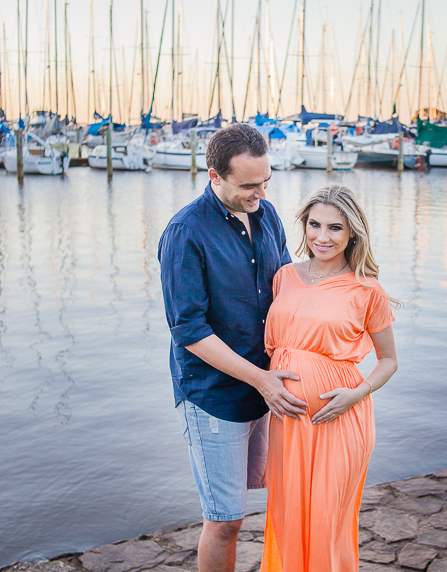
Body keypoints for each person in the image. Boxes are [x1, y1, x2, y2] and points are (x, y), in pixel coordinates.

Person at [158, 124, 309, 572]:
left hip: (264, 387)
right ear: (214, 176)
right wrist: (260, 379)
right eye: (248, 185)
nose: (259, 192)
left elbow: (285, 285)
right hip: (214, 394)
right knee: (224, 521)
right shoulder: (185, 233)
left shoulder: (266, 214)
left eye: (265, 181)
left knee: (261, 501)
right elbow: (189, 329)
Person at [260, 185, 399, 572]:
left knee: (327, 517)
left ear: (352, 232)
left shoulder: (367, 290)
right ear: (304, 225)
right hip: (287, 420)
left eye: (335, 228)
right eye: (314, 225)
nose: (322, 237)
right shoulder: (284, 276)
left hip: (338, 418)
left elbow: (388, 360)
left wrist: (356, 394)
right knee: (287, 512)